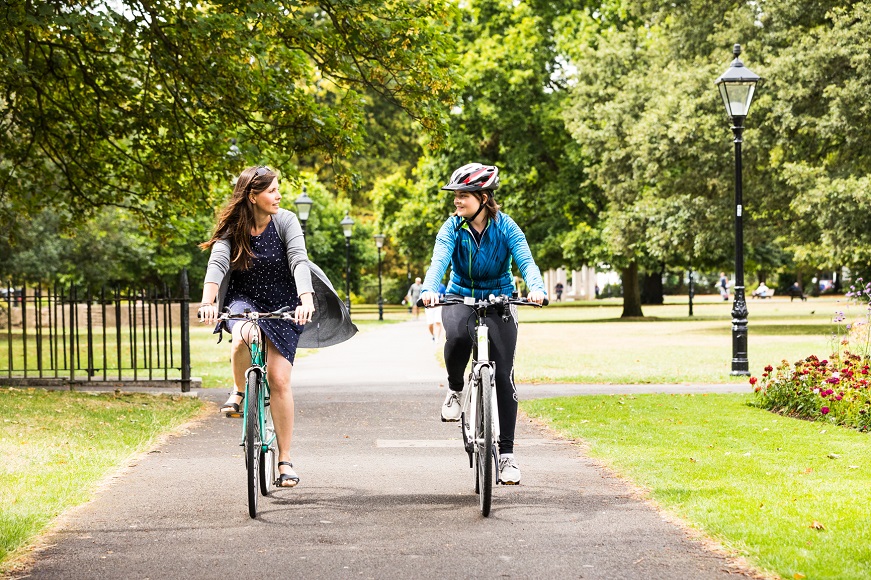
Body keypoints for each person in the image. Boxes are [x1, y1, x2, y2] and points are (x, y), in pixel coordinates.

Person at [198, 166, 356, 488]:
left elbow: (298, 259)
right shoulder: (233, 228)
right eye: (271, 190)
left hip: (284, 303)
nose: (278, 195)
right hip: (244, 300)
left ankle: (284, 460)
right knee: (245, 337)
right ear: (252, 196)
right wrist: (207, 302)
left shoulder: (285, 221)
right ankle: (241, 391)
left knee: (280, 380)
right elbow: (217, 263)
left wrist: (306, 299)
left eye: (277, 189)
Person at [420, 163, 547, 485]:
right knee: (459, 340)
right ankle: (455, 388)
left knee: (503, 376)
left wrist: (537, 289)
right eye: (456, 196)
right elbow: (439, 261)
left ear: (483, 197)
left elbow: (526, 260)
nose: (457, 202)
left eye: (463, 196)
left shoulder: (506, 227)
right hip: (459, 296)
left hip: (499, 299)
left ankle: (506, 456)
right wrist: (429, 290)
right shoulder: (452, 228)